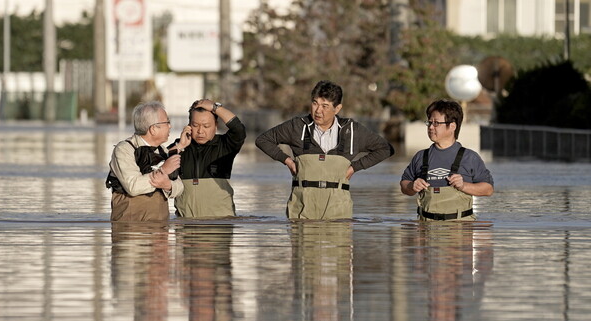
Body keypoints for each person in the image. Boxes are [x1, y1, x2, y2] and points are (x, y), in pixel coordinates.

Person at [255, 80, 395, 219]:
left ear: (337, 108)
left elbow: (386, 149)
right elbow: (263, 140)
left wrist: (355, 167)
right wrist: (287, 161)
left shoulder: (352, 131)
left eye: (325, 106)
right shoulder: (297, 126)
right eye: (315, 103)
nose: (318, 110)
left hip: (339, 212)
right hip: (301, 211)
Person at [400, 99, 494, 221]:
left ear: (452, 126)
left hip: (461, 230)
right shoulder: (420, 156)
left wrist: (463, 186)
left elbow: (488, 189)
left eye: (436, 123)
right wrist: (412, 186)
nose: (431, 127)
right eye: (429, 123)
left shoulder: (470, 157)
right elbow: (404, 185)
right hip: (426, 230)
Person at [106, 101, 188, 222]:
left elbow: (180, 187)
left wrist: (167, 185)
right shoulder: (124, 149)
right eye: (167, 122)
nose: (170, 126)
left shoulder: (163, 151)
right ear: (153, 129)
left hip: (160, 231)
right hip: (129, 230)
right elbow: (133, 186)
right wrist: (163, 170)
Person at [167, 99, 246, 218]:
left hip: (219, 227)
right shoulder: (179, 147)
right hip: (186, 229)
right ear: (189, 126)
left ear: (215, 126)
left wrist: (215, 107)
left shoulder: (225, 145)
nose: (200, 131)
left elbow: (239, 130)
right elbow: (161, 167)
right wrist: (180, 146)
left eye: (206, 126)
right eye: (195, 125)